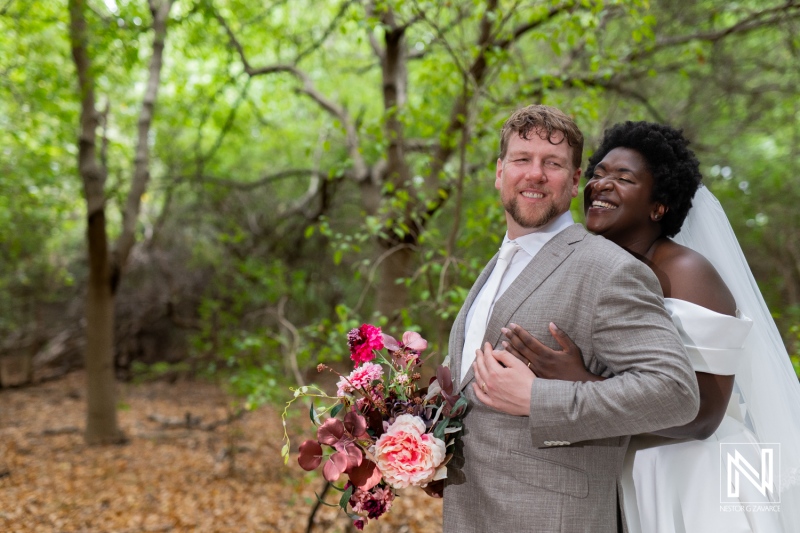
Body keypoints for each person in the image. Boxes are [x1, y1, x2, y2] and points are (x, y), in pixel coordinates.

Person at [502, 121, 800, 532]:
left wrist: (579, 382)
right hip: (628, 472)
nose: (601, 185)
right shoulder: (599, 270)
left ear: (658, 206)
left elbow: (703, 416)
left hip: (695, 477)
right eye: (598, 174)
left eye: (623, 179)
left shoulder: (687, 272)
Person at [437, 106, 700, 533]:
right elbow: (474, 383)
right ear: (499, 172)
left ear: (576, 180)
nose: (535, 174)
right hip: (472, 512)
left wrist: (539, 400)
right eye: (522, 159)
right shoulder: (498, 263)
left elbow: (674, 392)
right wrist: (403, 421)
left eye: (553, 163)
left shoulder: (609, 269)